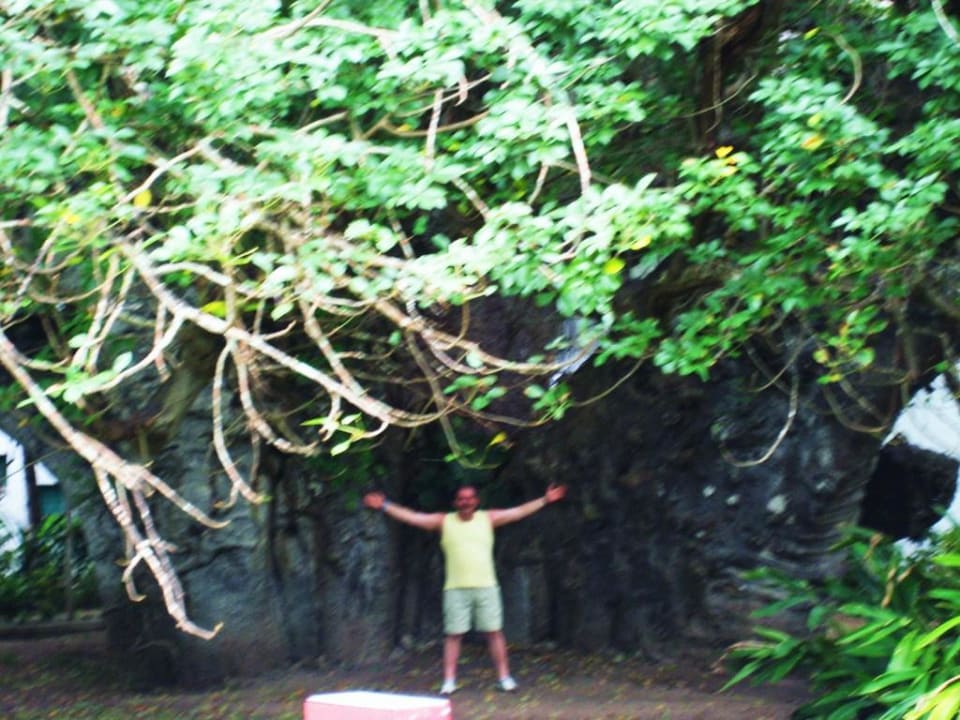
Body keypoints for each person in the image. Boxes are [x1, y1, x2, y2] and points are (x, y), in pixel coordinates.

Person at [363, 482, 567, 695]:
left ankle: (504, 678)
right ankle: (449, 681)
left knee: (494, 633)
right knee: (453, 635)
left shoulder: (488, 518)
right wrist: (384, 505)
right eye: (461, 498)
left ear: (476, 501)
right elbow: (413, 517)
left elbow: (517, 512)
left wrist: (544, 500)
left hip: (486, 586)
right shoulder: (444, 521)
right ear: (455, 502)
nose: (466, 502)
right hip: (455, 588)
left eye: (470, 498)